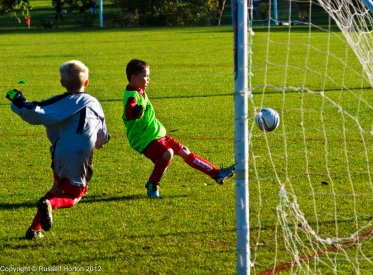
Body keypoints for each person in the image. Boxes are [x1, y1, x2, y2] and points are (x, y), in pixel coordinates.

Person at [6, 60, 110, 239]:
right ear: (86, 83)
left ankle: (33, 229)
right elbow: (102, 131)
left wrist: (18, 100)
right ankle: (50, 205)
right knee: (74, 196)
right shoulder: (94, 102)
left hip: (61, 151)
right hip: (81, 153)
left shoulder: (59, 102)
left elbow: (34, 110)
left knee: (57, 187)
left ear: (62, 83)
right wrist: (100, 142)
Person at [123, 59, 235, 198]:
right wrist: (135, 112)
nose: (148, 79)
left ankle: (217, 174)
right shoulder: (132, 95)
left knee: (184, 151)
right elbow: (130, 110)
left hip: (156, 135)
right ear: (133, 77)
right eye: (145, 76)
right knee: (167, 153)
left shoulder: (139, 90)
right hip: (144, 139)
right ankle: (153, 184)